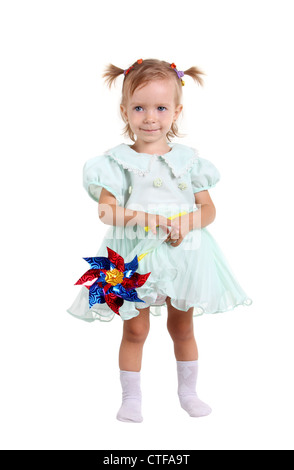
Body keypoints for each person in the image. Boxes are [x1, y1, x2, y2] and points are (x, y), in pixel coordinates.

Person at [67, 58, 252, 423]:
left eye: (160, 108)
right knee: (134, 328)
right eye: (139, 108)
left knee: (182, 326)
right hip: (132, 256)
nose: (150, 117)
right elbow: (105, 212)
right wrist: (144, 218)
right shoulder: (117, 162)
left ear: (177, 111)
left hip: (184, 255)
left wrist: (188, 221)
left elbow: (208, 211)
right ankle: (131, 397)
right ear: (124, 111)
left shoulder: (190, 162)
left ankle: (188, 392)